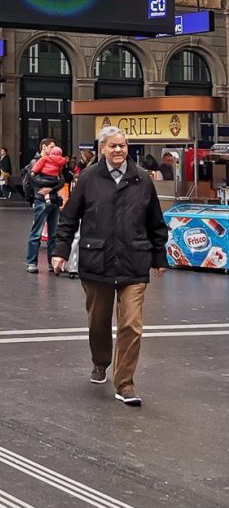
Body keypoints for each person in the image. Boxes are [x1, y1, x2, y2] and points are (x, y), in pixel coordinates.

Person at [51, 127, 168, 406]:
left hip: (133, 262)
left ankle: (125, 383)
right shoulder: (89, 178)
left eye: (123, 145)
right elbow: (69, 218)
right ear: (102, 148)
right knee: (98, 321)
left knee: (131, 325)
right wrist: (60, 252)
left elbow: (156, 222)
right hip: (97, 261)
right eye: (113, 146)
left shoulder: (142, 179)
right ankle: (100, 361)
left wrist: (159, 258)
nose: (118, 150)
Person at [23, 138, 59, 274]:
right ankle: (31, 262)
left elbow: (61, 180)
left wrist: (50, 188)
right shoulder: (35, 162)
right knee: (36, 232)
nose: (54, 149)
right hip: (40, 200)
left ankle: (52, 262)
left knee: (54, 233)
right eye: (52, 146)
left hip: (53, 199)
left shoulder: (55, 162)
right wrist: (52, 186)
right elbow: (34, 180)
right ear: (44, 147)